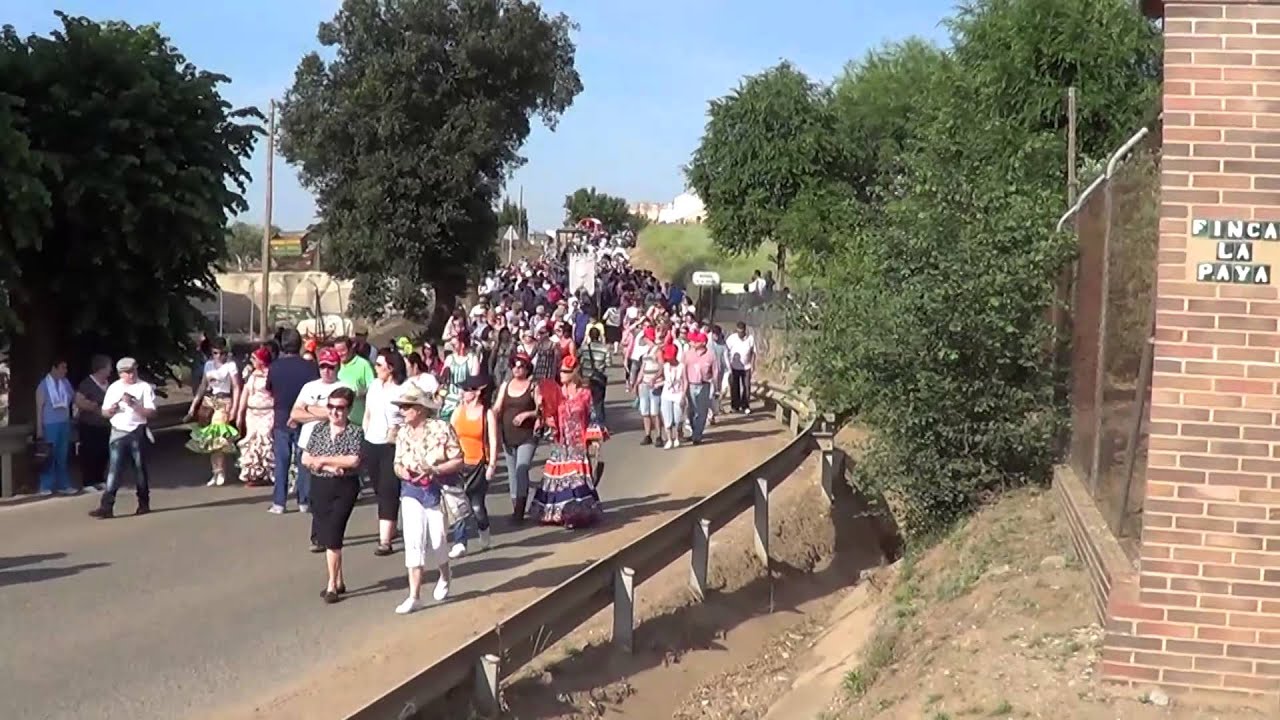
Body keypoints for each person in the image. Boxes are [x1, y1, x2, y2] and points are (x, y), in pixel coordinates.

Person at [392, 384, 464, 613]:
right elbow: (397, 463)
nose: (402, 411)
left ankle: (445, 574)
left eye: (406, 407)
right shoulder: (402, 433)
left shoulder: (442, 428)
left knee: (438, 540)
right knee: (413, 541)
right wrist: (403, 472)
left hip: (437, 490)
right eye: (401, 407)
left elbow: (458, 460)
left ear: (420, 409)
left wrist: (435, 470)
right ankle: (414, 595)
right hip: (411, 490)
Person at [302, 386, 364, 604]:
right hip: (320, 485)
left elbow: (352, 460)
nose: (334, 412)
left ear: (348, 409)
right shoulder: (318, 429)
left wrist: (323, 460)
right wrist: (329, 466)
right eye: (330, 406)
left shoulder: (355, 431)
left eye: (340, 408)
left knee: (334, 534)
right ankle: (339, 579)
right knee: (326, 533)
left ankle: (331, 586)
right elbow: (306, 458)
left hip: (344, 487)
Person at [529, 356, 603, 528]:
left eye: (565, 371)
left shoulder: (585, 394)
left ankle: (575, 514)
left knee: (576, 480)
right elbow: (546, 415)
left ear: (574, 373)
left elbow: (592, 416)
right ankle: (558, 513)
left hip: (578, 445)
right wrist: (543, 412)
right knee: (560, 479)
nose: (561, 374)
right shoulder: (555, 393)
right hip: (560, 444)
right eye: (560, 371)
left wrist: (593, 440)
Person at [285, 348, 349, 538]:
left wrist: (310, 409)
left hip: (333, 446)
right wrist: (323, 412)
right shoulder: (309, 387)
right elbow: (295, 413)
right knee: (312, 494)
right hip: (308, 444)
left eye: (331, 367)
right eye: (323, 366)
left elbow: (340, 416)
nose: (326, 371)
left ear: (337, 367)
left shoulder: (344, 387)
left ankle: (328, 533)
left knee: (330, 495)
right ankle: (319, 534)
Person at [90, 358, 157, 518]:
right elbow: (104, 412)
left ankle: (143, 503)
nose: (131, 375)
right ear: (120, 374)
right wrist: (111, 410)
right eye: (126, 372)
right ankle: (106, 507)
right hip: (118, 432)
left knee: (139, 469)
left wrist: (134, 405)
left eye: (133, 371)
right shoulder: (114, 388)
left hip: (137, 431)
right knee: (114, 470)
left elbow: (152, 412)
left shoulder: (144, 387)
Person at [266, 330, 319, 513]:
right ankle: (304, 500)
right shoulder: (310, 367)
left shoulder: (275, 367)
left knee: (282, 461)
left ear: (282, 345)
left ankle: (279, 502)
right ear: (300, 345)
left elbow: (269, 389)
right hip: (304, 416)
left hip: (281, 417)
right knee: (303, 459)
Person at [447, 374, 499, 559]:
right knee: (457, 505)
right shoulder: (458, 411)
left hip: (478, 465)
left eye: (466, 390)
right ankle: (460, 542)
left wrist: (492, 465)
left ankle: (484, 531)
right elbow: (449, 434)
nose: (462, 393)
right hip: (458, 464)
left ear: (476, 392)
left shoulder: (487, 414)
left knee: (476, 507)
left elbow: (493, 440)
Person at [183, 337, 242, 487]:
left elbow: (236, 387)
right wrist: (193, 405)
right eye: (215, 353)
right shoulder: (209, 365)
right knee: (209, 439)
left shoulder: (230, 366)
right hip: (209, 401)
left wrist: (235, 408)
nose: (218, 356)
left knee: (218, 437)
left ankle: (220, 471)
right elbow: (203, 385)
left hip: (224, 401)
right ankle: (215, 471)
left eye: (222, 353)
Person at [365, 349, 406, 556]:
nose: (376, 368)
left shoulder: (402, 390)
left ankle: (385, 541)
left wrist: (399, 429)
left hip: (392, 445)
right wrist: (365, 431)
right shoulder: (374, 385)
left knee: (388, 490)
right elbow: (368, 412)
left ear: (391, 368)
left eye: (380, 365)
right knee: (379, 489)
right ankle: (392, 525)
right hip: (372, 442)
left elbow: (412, 415)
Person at [493, 352, 541, 523]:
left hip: (527, 435)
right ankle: (516, 505)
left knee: (522, 468)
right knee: (512, 472)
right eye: (514, 365)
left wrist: (527, 414)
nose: (517, 369)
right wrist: (489, 419)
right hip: (508, 434)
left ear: (527, 369)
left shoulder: (533, 386)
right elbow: (497, 408)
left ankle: (520, 509)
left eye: (521, 366)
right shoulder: (505, 386)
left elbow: (540, 409)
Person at [235, 346, 276, 487]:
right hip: (252, 413)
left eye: (254, 358)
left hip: (267, 412)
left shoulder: (271, 375)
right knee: (251, 442)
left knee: (265, 441)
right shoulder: (251, 375)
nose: (252, 361)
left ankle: (268, 474)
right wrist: (240, 413)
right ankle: (252, 474)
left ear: (262, 360)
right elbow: (245, 393)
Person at [35, 358, 76, 495]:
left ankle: (63, 484)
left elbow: (73, 398)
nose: (65, 371)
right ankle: (45, 485)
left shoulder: (65, 383)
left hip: (64, 422)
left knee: (62, 455)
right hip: (50, 424)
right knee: (49, 456)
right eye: (62, 367)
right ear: (54, 368)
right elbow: (39, 408)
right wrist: (39, 428)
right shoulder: (43, 385)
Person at [74, 354, 113, 492]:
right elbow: (79, 401)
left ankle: (99, 479)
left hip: (105, 424)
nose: (110, 370)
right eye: (109, 367)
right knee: (90, 452)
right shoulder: (87, 384)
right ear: (101, 368)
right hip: (89, 424)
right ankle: (88, 482)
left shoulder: (108, 384)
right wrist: (94, 407)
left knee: (103, 452)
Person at [683, 331, 718, 445]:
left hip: (704, 385)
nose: (693, 342)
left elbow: (715, 372)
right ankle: (694, 431)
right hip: (690, 385)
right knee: (691, 411)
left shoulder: (711, 355)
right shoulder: (688, 354)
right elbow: (683, 370)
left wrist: (716, 388)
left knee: (702, 412)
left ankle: (697, 436)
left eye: (697, 341)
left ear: (703, 343)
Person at [334, 336, 375, 427]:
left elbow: (373, 389)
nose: (339, 354)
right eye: (337, 351)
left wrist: (361, 392)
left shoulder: (363, 364)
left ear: (351, 348)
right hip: (338, 421)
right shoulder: (334, 365)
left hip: (357, 420)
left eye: (342, 350)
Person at [659, 344, 687, 449]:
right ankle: (669, 439)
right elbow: (662, 377)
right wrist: (655, 382)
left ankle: (677, 438)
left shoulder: (681, 366)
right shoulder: (665, 366)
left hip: (678, 395)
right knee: (667, 418)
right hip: (666, 394)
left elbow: (685, 381)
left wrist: (683, 395)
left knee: (678, 418)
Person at [726, 322, 756, 414]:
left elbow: (753, 352)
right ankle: (735, 406)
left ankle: (745, 405)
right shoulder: (732, 338)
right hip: (734, 367)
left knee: (746, 387)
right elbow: (726, 351)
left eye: (741, 332)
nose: (740, 334)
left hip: (746, 367)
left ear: (744, 331)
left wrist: (753, 364)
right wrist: (728, 365)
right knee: (734, 387)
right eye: (738, 332)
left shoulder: (750, 339)